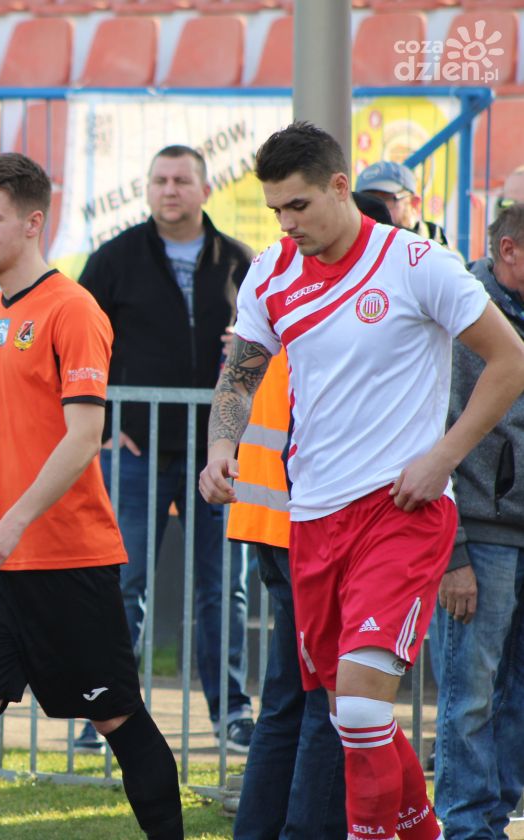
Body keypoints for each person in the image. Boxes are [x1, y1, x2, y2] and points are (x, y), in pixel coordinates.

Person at [201, 121, 524, 840]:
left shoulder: (415, 262)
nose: (287, 224)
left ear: (340, 187)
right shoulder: (272, 271)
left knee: (360, 708)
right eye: (276, 210)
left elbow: (511, 361)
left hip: (401, 511)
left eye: (299, 205)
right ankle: (422, 831)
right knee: (349, 716)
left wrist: (442, 458)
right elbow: (241, 373)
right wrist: (221, 445)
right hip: (311, 520)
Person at [0, 153, 183, 840]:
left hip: (67, 558)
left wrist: (13, 523)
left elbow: (85, 434)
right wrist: (4, 529)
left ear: (33, 223)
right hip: (2, 563)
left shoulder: (73, 309)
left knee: (115, 715)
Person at [77, 144, 255, 752]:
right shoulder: (115, 258)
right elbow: (75, 343)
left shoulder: (240, 261)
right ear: (148, 189)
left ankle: (232, 712)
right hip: (136, 451)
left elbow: (273, 344)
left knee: (223, 587)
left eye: (181, 180)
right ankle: (107, 716)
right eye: (159, 180)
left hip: (218, 455)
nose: (170, 189)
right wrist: (105, 424)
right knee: (123, 584)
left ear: (206, 189)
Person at [230, 193, 391, 840]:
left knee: (288, 699)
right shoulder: (328, 297)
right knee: (330, 698)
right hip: (310, 524)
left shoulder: (280, 282)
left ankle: (260, 829)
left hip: (272, 518)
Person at [428, 204, 524, 839]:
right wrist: (453, 553)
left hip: (507, 530)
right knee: (471, 695)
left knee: (512, 696)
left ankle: (492, 819)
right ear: (509, 250)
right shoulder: (461, 313)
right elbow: (433, 432)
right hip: (479, 534)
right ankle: (466, 827)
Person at [356, 160, 449, 246]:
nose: (374, 207)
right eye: (366, 200)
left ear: (414, 204)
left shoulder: (436, 250)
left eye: (385, 199)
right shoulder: (355, 249)